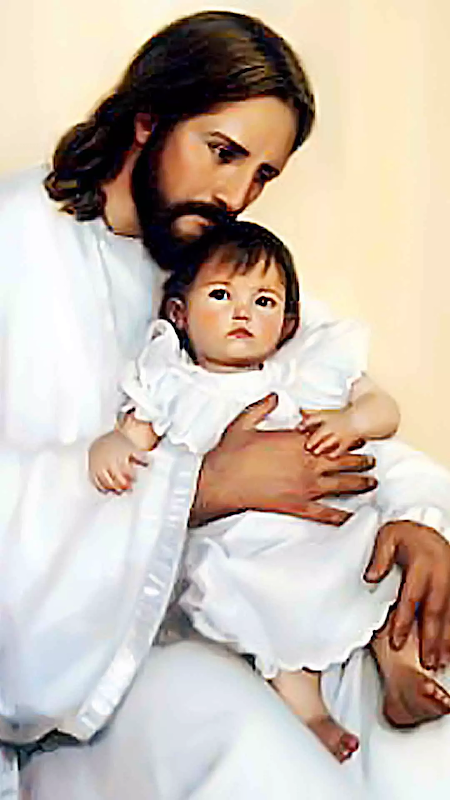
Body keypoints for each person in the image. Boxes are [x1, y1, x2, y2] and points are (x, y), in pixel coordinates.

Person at [1, 10, 450, 800]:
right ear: (149, 118)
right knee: (258, 759)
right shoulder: (17, 244)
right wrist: (204, 486)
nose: (236, 195)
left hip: (272, 609)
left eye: (263, 175)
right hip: (103, 676)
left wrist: (420, 520)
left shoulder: (214, 261)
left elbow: (320, 397)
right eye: (223, 152)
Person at [88, 219, 406, 764]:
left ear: (286, 324)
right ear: (179, 313)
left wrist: (351, 421)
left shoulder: (298, 377)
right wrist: (111, 447)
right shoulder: (172, 382)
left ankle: (402, 669)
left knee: (379, 557)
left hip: (321, 526)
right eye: (221, 295)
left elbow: (384, 411)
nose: (243, 313)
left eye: (263, 301)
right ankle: (308, 708)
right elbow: (133, 434)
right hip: (241, 541)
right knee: (263, 598)